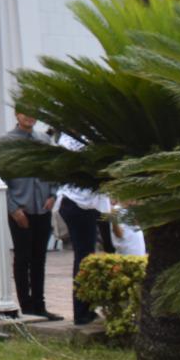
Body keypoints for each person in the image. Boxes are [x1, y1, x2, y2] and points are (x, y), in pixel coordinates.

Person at [0, 113, 59, 319]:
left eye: (33, 113)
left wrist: (53, 195)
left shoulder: (44, 139)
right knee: (22, 257)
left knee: (39, 258)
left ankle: (39, 305)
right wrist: (13, 208)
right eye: (25, 113)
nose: (30, 117)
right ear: (17, 114)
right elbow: (0, 177)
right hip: (20, 209)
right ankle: (26, 306)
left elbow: (53, 170)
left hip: (42, 207)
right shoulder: (7, 142)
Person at [55, 132, 111, 326]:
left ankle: (86, 308)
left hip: (82, 203)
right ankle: (82, 312)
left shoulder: (70, 138)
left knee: (86, 255)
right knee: (84, 257)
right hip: (80, 204)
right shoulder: (76, 139)